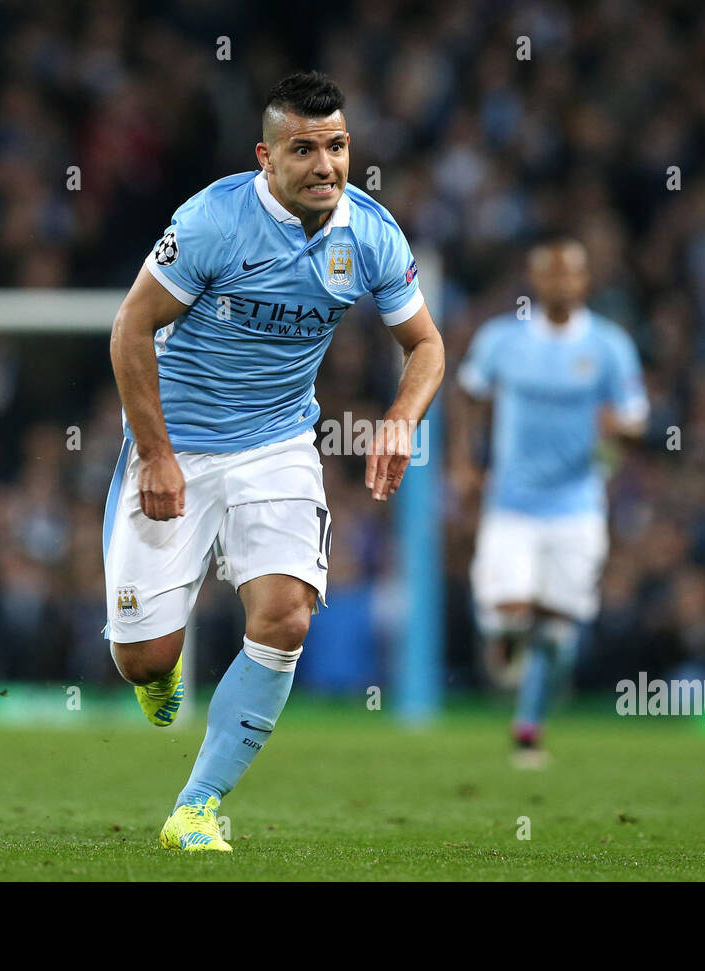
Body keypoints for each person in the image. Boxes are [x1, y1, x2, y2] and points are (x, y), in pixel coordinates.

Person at [104, 71, 444, 850]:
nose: (326, 165)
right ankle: (159, 668)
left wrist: (399, 417)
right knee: (142, 655)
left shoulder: (371, 234)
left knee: (287, 615)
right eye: (304, 149)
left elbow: (425, 345)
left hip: (278, 444)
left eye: (337, 146)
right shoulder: (212, 222)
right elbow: (130, 327)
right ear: (267, 157)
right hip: (178, 445)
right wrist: (154, 454)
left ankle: (198, 803)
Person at [453, 237, 647, 768]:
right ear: (534, 282)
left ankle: (528, 728)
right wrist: (465, 462)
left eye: (571, 274)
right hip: (511, 503)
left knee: (560, 635)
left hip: (578, 505)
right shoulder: (502, 340)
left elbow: (635, 418)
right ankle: (503, 637)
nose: (561, 283)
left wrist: (621, 431)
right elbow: (468, 394)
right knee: (513, 614)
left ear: (585, 282)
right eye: (550, 274)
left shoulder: (609, 346)